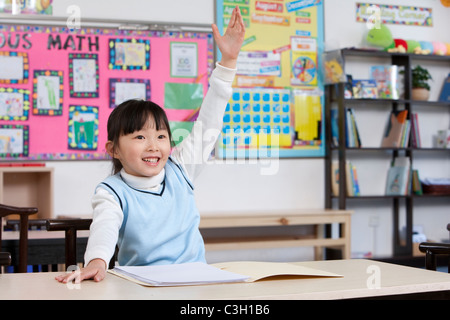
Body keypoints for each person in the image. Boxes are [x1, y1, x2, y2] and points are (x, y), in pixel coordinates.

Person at [56, 6, 245, 283]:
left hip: (197, 281)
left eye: (160, 136)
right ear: (114, 150)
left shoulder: (182, 168)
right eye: (139, 137)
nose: (153, 146)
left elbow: (210, 120)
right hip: (142, 286)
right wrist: (97, 260)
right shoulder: (111, 191)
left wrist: (228, 60)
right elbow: (105, 227)